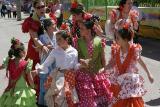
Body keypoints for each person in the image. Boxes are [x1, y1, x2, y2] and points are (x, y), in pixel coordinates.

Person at [105, 22, 154, 107]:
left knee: (130, 102)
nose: (115, 40)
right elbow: (112, 63)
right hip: (119, 80)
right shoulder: (116, 50)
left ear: (125, 39)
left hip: (130, 82)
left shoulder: (134, 50)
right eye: (115, 38)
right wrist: (104, 69)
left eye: (118, 38)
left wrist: (149, 74)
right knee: (118, 100)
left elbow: (142, 63)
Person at [75, 15, 112, 107]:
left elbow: (103, 59)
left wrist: (104, 71)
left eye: (82, 28)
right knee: (87, 100)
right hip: (84, 76)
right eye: (80, 28)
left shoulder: (99, 41)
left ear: (89, 30)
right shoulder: (78, 42)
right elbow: (76, 58)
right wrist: (82, 62)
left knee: (100, 99)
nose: (80, 30)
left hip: (97, 75)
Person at [37, 30, 79, 107]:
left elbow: (75, 66)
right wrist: (37, 69)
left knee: (68, 97)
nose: (57, 41)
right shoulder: (55, 51)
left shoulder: (74, 51)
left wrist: (81, 66)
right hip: (58, 77)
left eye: (59, 39)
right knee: (57, 98)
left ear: (66, 39)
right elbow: (46, 63)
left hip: (70, 77)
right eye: (56, 39)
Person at [22, 0, 50, 101]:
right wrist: (42, 47)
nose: (41, 8)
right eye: (38, 7)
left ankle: (46, 94)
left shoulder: (49, 17)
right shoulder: (31, 21)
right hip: (35, 49)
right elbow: (35, 37)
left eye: (43, 6)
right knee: (35, 69)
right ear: (34, 8)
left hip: (48, 47)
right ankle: (35, 94)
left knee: (48, 69)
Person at [0, 38, 37, 107]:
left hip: (11, 90)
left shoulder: (9, 61)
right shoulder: (26, 63)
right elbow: (30, 78)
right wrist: (33, 86)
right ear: (21, 52)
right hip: (22, 91)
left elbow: (2, 66)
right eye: (25, 50)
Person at [38, 18, 58, 106]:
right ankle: (45, 103)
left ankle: (55, 102)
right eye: (53, 24)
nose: (55, 26)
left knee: (55, 82)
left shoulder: (57, 34)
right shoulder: (42, 37)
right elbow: (39, 51)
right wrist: (45, 47)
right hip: (46, 61)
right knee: (46, 82)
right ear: (47, 27)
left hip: (56, 61)